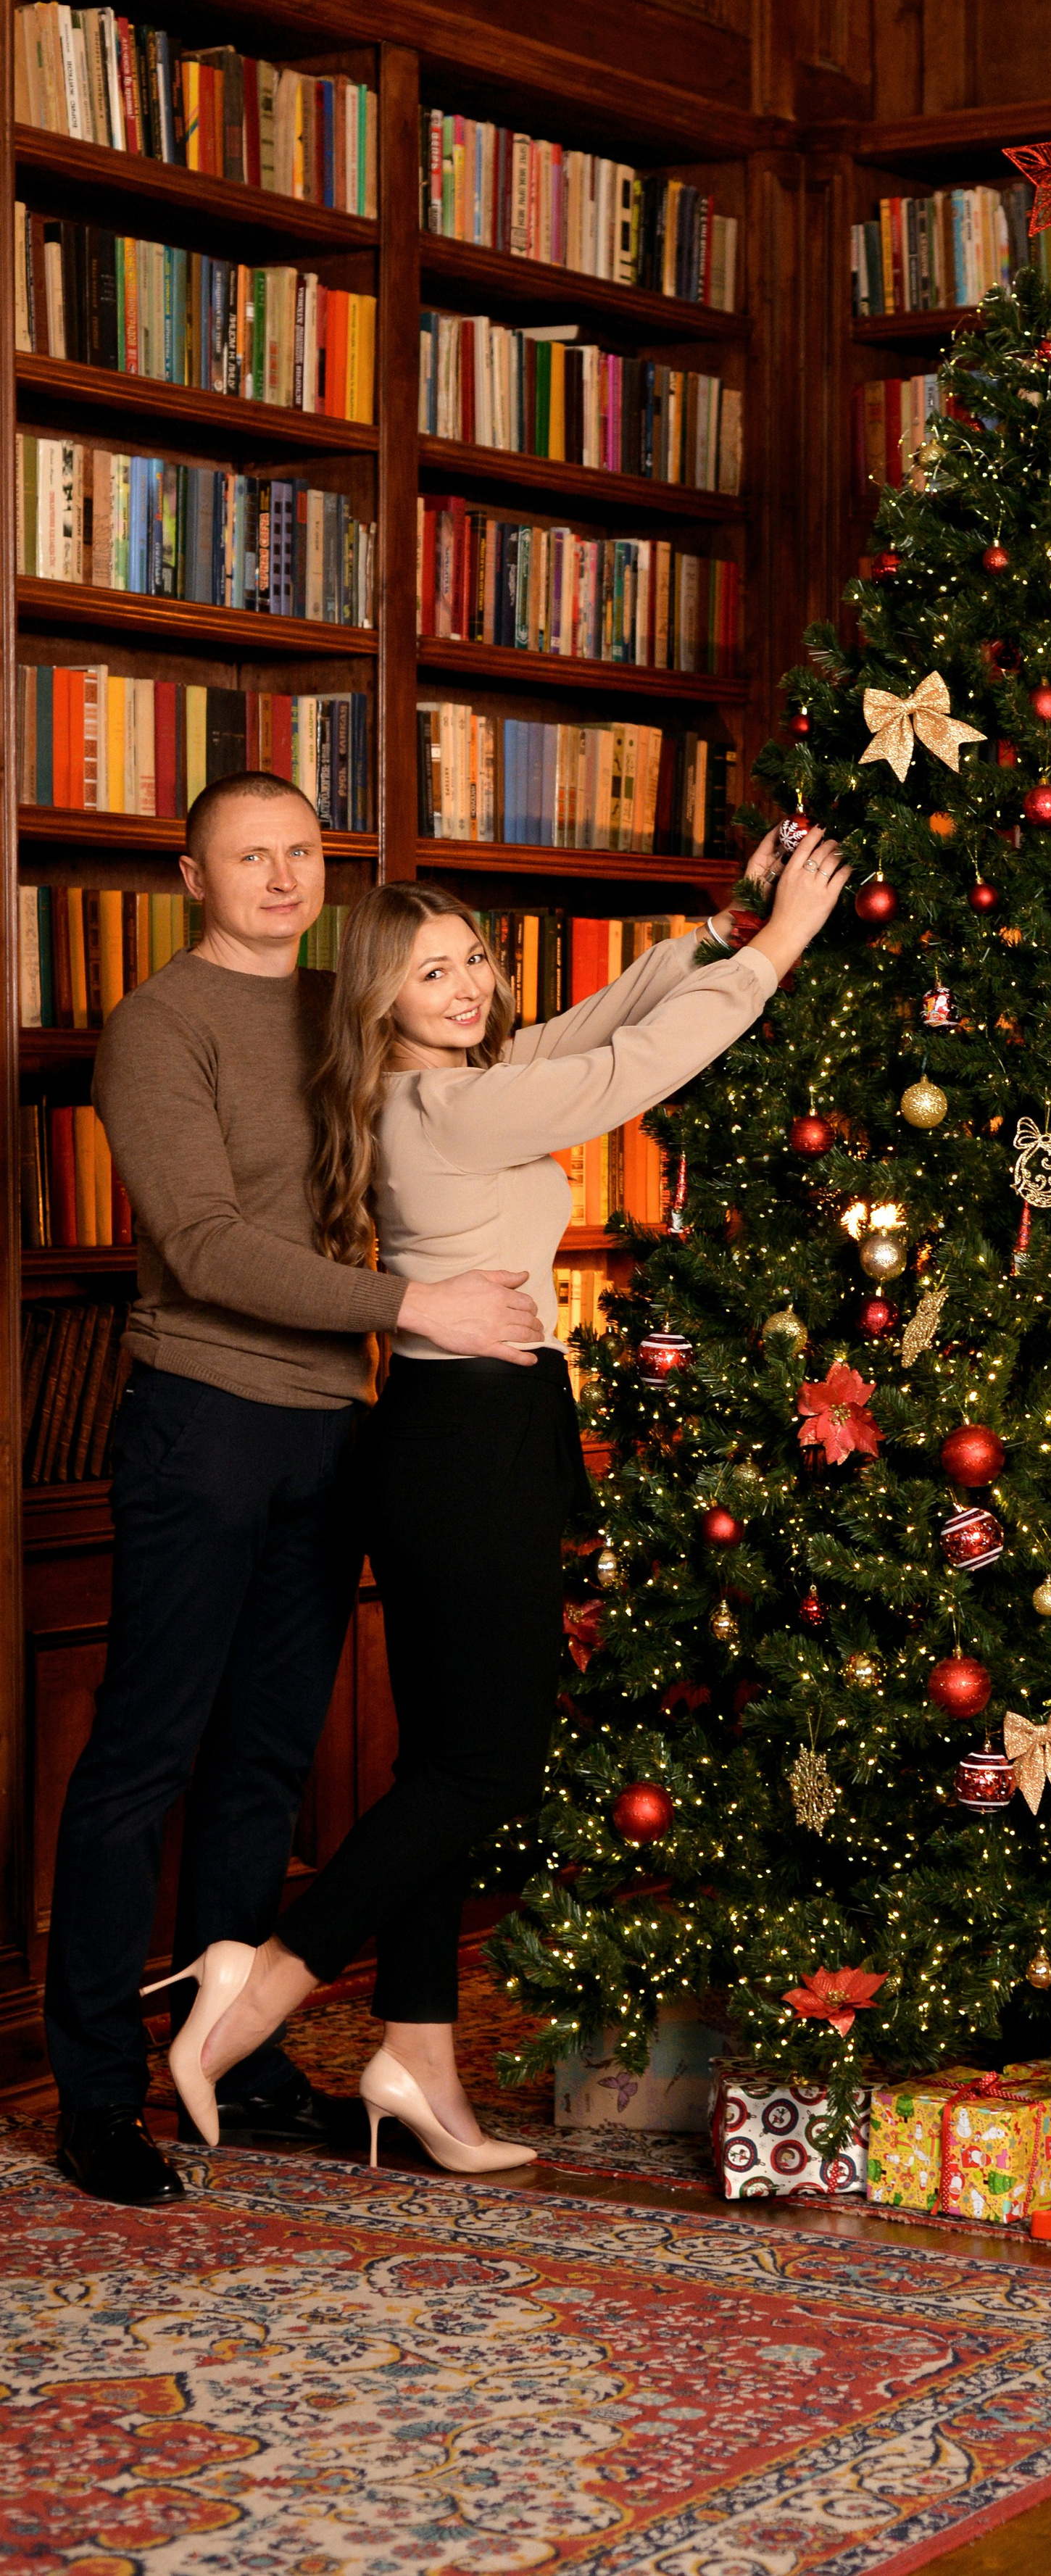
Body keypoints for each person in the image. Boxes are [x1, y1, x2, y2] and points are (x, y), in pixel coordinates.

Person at [154, 828, 847, 2174]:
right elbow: (635, 1067)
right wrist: (777, 951)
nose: (470, 986)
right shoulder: (453, 1108)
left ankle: (414, 2054)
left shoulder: (452, 1083)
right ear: (381, 1001)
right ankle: (249, 1997)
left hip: (466, 1432)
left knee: (443, 1766)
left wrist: (714, 934)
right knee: (488, 1763)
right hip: (465, 1445)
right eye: (435, 972)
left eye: (476, 959)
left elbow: (598, 1021)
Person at [51, 773, 548, 2209]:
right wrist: (416, 1302)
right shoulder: (159, 1026)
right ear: (194, 879)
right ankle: (98, 2091)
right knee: (146, 1754)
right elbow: (202, 1243)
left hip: (340, 1423)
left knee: (270, 1762)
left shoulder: (352, 999)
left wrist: (713, 963)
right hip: (203, 1418)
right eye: (247, 858)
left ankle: (245, 2068)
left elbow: (509, 1063)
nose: (279, 878)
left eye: (301, 855)